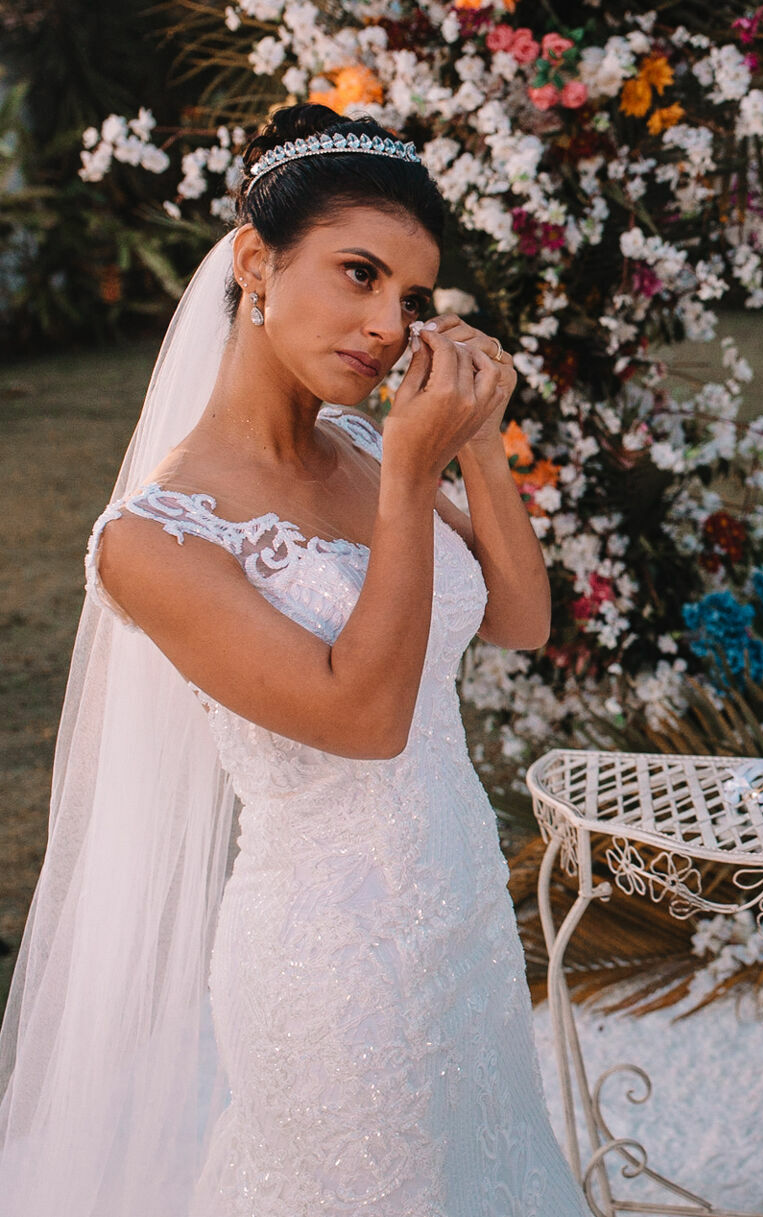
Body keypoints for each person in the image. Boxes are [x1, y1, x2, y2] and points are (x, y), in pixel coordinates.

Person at [0, 104, 591, 1216]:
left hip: (459, 908)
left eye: (411, 300)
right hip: (333, 972)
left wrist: (477, 445)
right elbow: (364, 719)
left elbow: (517, 617)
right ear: (257, 264)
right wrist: (414, 484)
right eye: (358, 274)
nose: (386, 324)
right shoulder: (155, 540)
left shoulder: (370, 444)